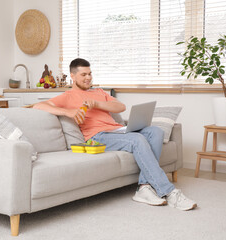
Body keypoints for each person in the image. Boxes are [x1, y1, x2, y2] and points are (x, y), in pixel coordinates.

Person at [33, 58, 197, 211]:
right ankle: (169, 192)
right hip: (98, 136)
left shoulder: (99, 92)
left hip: (118, 130)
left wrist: (97, 103)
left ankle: (144, 187)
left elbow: (120, 107)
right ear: (72, 76)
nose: (88, 77)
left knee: (156, 131)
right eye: (83, 74)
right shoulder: (68, 96)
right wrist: (68, 112)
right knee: (137, 139)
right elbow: (38, 106)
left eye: (90, 73)